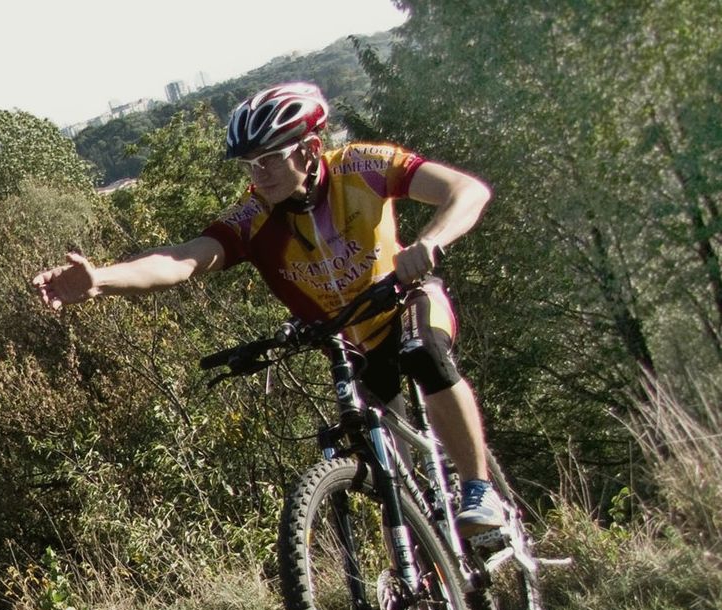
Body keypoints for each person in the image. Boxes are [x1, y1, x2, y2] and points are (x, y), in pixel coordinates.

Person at [33, 81, 505, 538]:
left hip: (405, 304)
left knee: (424, 353)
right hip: (354, 342)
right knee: (390, 473)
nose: (258, 175)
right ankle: (428, 581)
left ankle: (479, 490)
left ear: (310, 148)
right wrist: (103, 280)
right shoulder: (255, 215)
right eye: (249, 164)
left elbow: (468, 192)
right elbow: (183, 259)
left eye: (269, 160)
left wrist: (429, 241)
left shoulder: (363, 166)